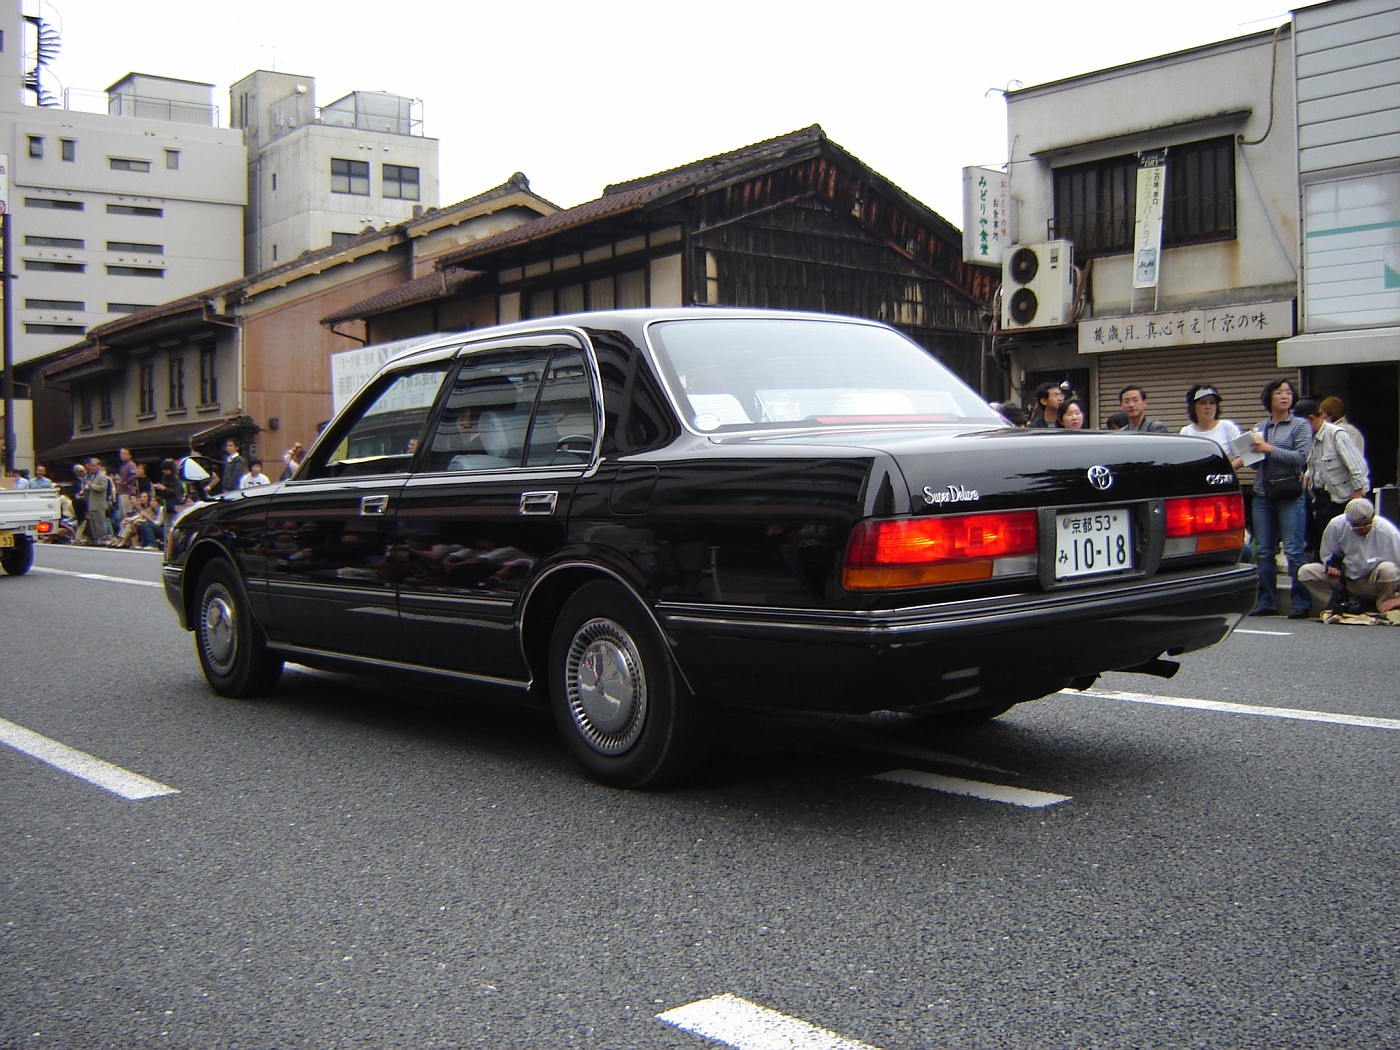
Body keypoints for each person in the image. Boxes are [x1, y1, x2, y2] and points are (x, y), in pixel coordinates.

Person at [1248, 378, 1313, 618]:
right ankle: (1266, 601)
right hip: (1262, 494)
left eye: (1288, 392)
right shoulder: (1260, 427)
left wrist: (1268, 449)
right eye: (1279, 393)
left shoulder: (1299, 425)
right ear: (1269, 398)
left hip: (1289, 493)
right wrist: (1251, 453)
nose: (1285, 396)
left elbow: (1301, 458)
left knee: (1294, 549)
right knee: (1263, 550)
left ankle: (1302, 603)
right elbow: (1255, 466)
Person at [1298, 498, 1400, 617]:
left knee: (1389, 570)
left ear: (1373, 517)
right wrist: (1332, 568)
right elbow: (1326, 555)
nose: (1361, 529)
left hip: (1373, 581)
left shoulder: (1388, 532)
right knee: (1305, 572)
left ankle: (1382, 605)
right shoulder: (1336, 526)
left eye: (1366, 524)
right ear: (1347, 520)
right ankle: (1341, 604)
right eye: (1356, 526)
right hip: (1346, 579)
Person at [1296, 398, 1368, 553]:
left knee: (1341, 545)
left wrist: (1356, 498)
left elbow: (1357, 467)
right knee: (1320, 542)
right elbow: (1314, 465)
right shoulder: (1311, 438)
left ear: (1310, 419)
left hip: (1341, 499)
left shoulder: (1336, 434)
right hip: (1320, 498)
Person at [1179, 384, 1244, 468]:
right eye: (1203, 403)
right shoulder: (1186, 432)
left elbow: (1241, 456)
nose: (1208, 407)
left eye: (1212, 403)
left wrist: (1225, 470)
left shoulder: (1228, 427)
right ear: (1193, 407)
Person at [1317, 396, 1366, 462]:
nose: (1320, 417)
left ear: (1330, 414)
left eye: (1321, 413)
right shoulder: (1354, 431)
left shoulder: (1335, 432)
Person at [85, 460, 115, 546]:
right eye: (91, 466)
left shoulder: (102, 477)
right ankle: (96, 538)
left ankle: (102, 539)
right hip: (92, 503)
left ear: (99, 466)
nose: (92, 468)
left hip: (99, 503)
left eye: (94, 466)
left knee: (100, 522)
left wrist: (91, 486)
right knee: (93, 522)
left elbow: (102, 488)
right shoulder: (92, 476)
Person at [114, 447, 139, 519]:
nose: (123, 455)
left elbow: (135, 474)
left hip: (127, 492)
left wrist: (127, 482)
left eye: (125, 454)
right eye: (122, 454)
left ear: (129, 455)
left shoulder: (131, 464)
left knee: (127, 514)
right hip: (121, 491)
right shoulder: (123, 465)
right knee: (122, 514)